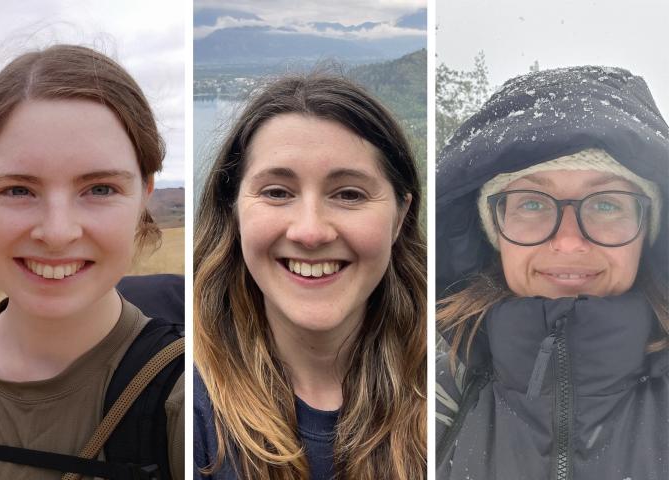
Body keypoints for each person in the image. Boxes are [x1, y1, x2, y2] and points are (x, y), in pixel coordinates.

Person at [0, 44, 185, 480]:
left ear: (144, 197)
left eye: (99, 189)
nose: (57, 233)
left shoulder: (185, 402)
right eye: (19, 190)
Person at [435, 66, 669, 479]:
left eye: (606, 203)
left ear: (647, 229)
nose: (568, 242)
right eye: (532, 202)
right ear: (494, 230)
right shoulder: (428, 390)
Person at [193, 73, 427, 480]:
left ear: (400, 217)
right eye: (277, 192)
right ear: (232, 211)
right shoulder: (184, 403)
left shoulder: (454, 391)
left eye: (349, 194)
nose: (311, 231)